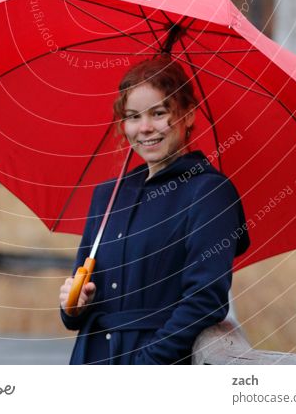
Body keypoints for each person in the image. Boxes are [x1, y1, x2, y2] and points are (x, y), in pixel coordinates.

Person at [59, 55, 249, 364]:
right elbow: (77, 309)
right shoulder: (108, 195)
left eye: (159, 113)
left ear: (188, 115)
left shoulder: (209, 193)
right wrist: (73, 305)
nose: (145, 128)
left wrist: (149, 362)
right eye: (133, 116)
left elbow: (205, 299)